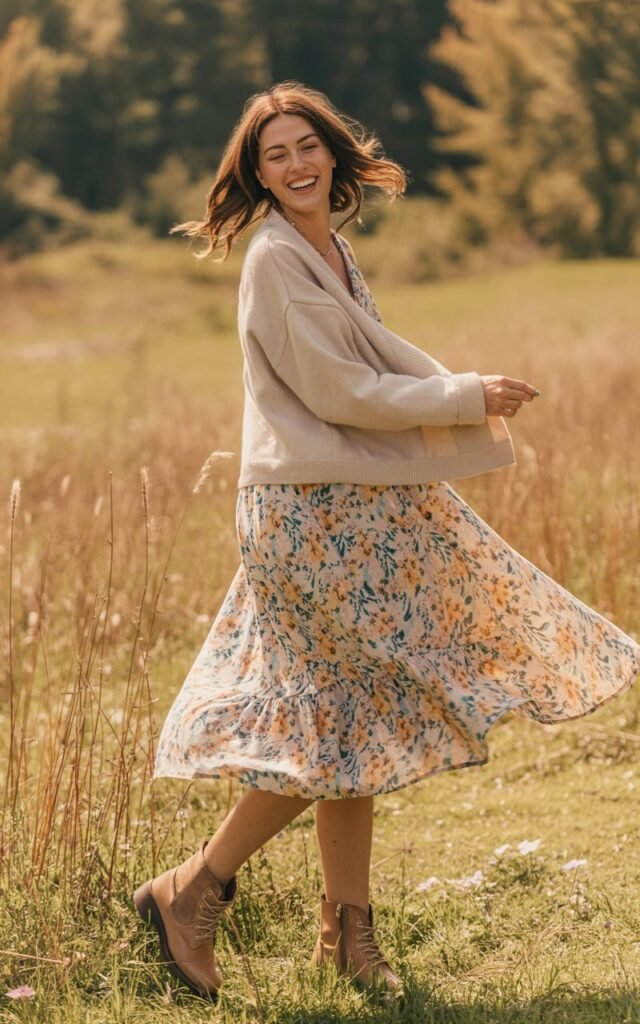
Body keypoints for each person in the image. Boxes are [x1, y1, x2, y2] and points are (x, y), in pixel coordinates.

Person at [133, 80, 640, 1003]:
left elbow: (363, 370)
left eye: (305, 146)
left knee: (352, 710)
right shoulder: (275, 261)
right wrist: (463, 395)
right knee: (340, 717)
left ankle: (345, 939)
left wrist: (461, 394)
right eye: (273, 154)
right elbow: (340, 394)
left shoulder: (332, 249)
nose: (294, 165)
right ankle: (193, 887)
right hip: (308, 514)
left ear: (333, 151)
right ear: (255, 173)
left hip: (352, 504)